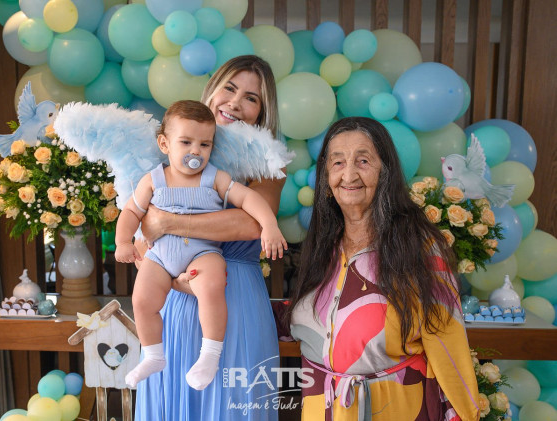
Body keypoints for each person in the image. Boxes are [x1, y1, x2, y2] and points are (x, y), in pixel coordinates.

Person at [286, 117, 480, 420]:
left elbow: (447, 339)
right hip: (322, 406)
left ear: (385, 172)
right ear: (326, 178)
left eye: (363, 161)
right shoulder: (323, 245)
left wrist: (465, 414)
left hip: (396, 406)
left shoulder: (418, 246)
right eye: (337, 163)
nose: (349, 174)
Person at [134, 56, 284, 420]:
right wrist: (172, 279)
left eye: (251, 98)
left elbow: (251, 224)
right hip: (174, 296)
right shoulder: (169, 152)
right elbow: (141, 239)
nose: (235, 102)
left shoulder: (268, 163)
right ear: (212, 91)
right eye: (229, 88)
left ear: (262, 113)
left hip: (235, 297)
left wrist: (167, 222)